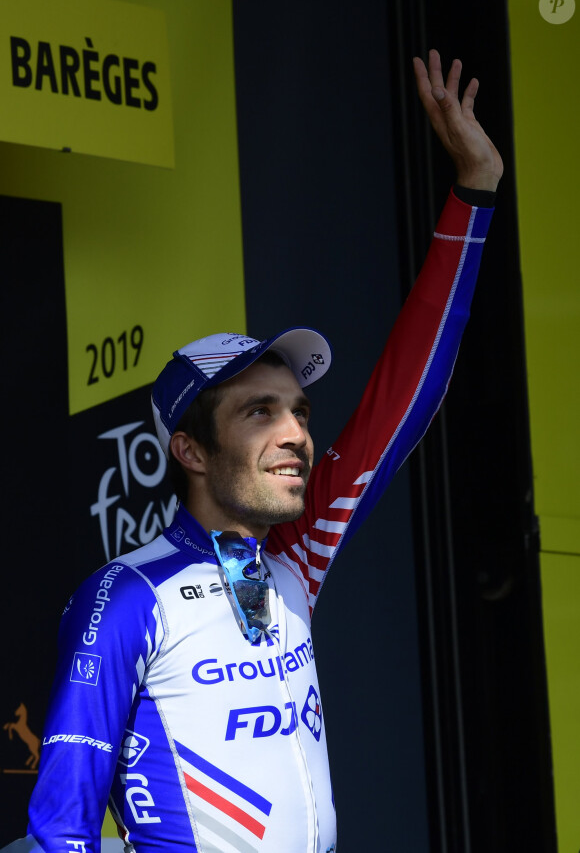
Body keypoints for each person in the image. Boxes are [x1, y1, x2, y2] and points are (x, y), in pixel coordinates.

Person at [4, 50, 503, 852]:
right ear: (191, 450)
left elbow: (399, 402)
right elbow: (61, 830)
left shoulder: (292, 563)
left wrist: (473, 194)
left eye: (300, 411)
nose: (298, 433)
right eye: (260, 412)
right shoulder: (127, 597)